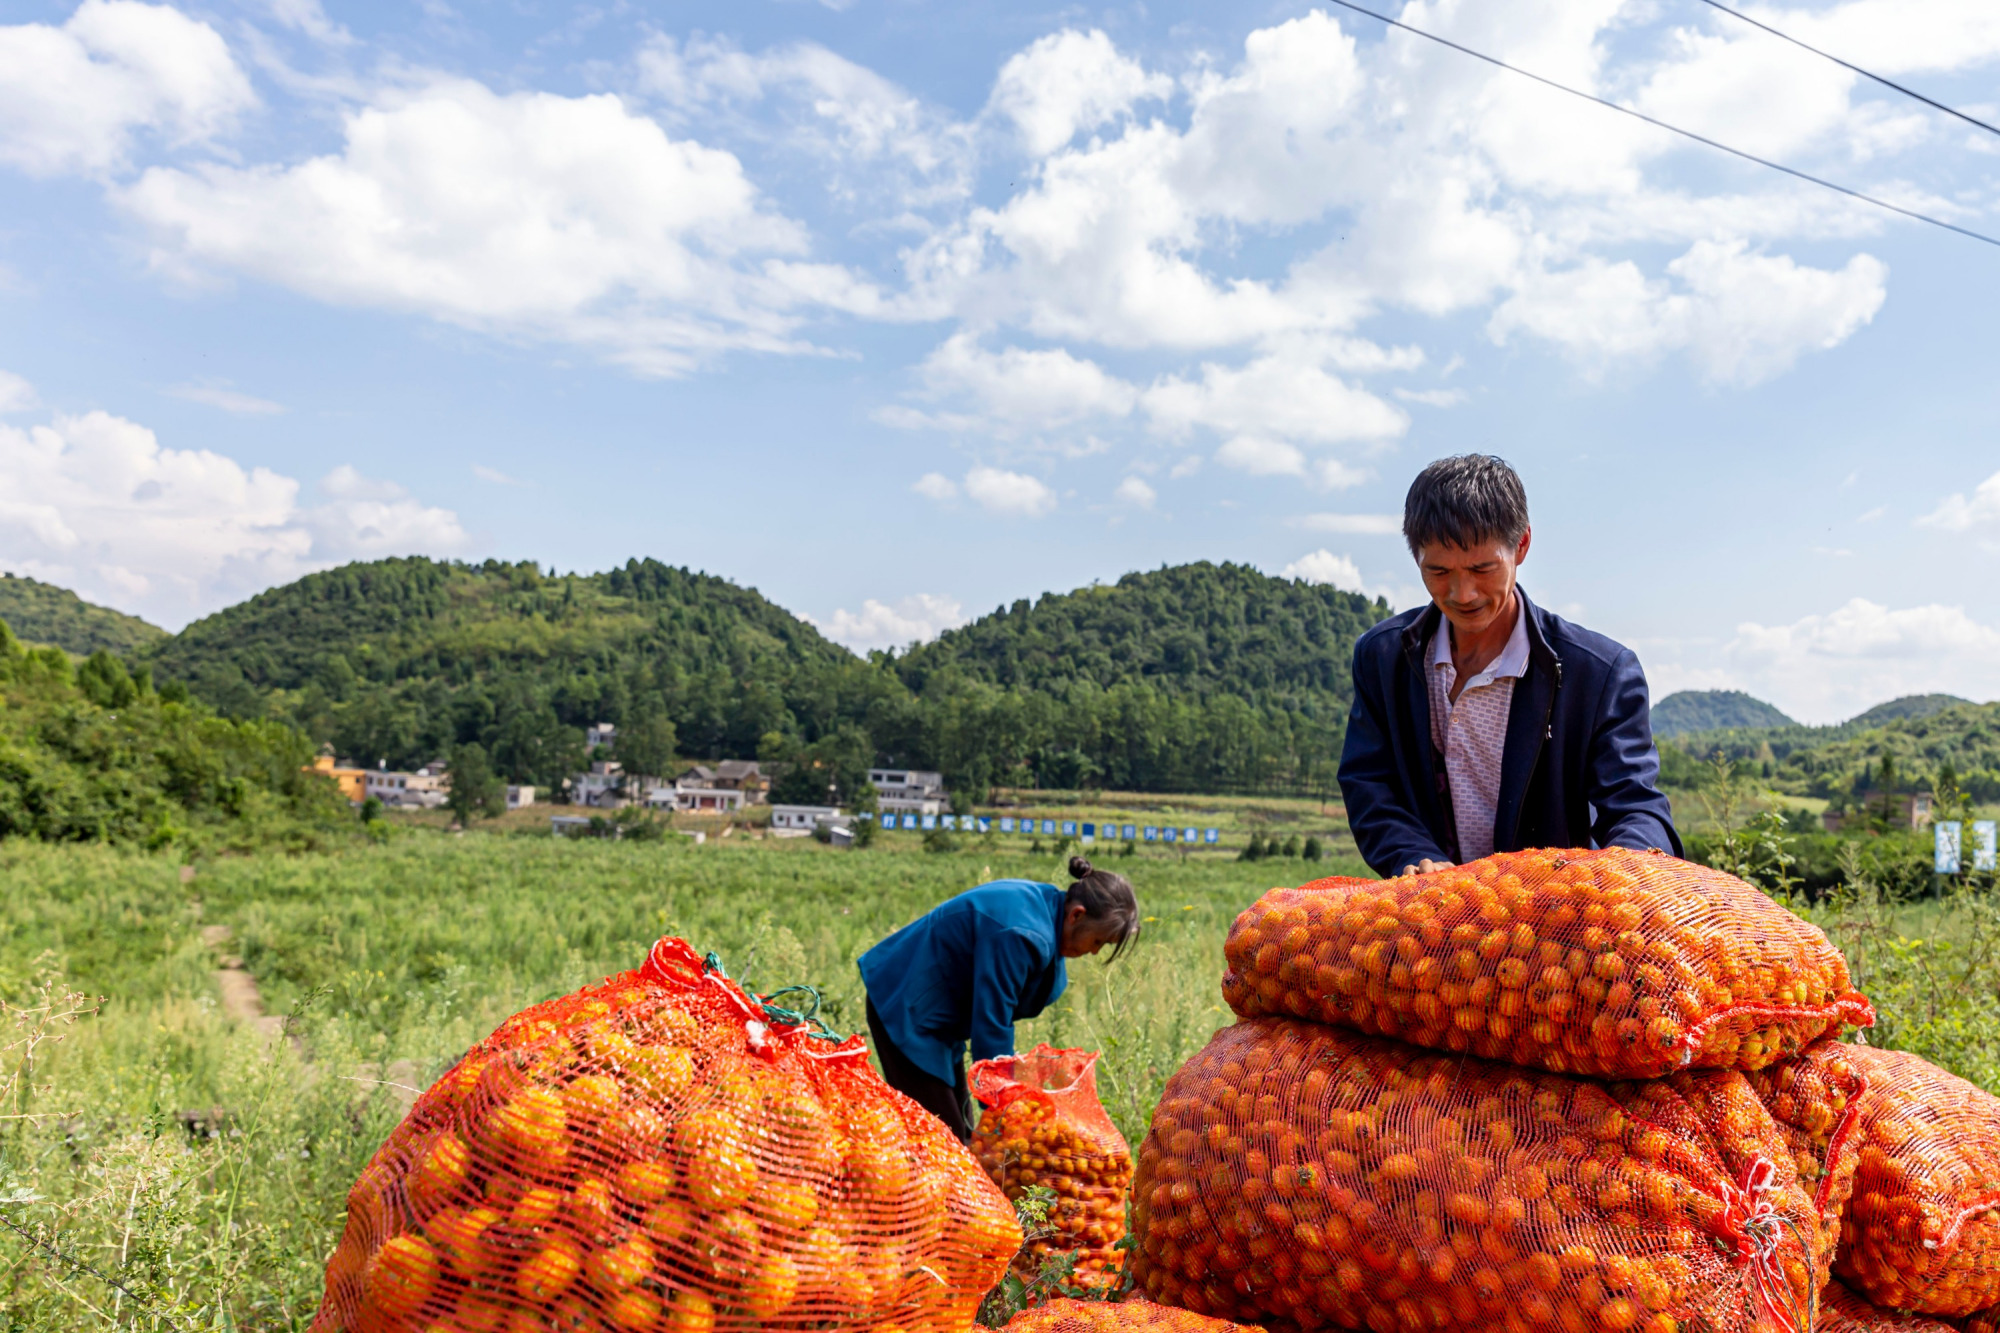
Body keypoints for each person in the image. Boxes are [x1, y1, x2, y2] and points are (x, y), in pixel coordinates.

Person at [1339, 454, 1681, 878]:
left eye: (1482, 568)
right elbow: (1369, 783)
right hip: (1432, 916)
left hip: (1558, 920)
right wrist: (1412, 854)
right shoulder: (1384, 658)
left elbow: (1635, 805)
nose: (1463, 593)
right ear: (1416, 559)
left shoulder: (1599, 674)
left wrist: (1625, 872)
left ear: (1521, 545)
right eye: (1439, 571)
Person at [857, 856, 1139, 1142]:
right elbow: (992, 1022)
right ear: (1076, 915)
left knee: (960, 1137)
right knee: (943, 1141)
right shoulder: (1022, 934)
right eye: (1098, 942)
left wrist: (1001, 1100)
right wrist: (1003, 1107)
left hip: (937, 1016)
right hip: (905, 1005)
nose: (1094, 952)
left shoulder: (1048, 909)